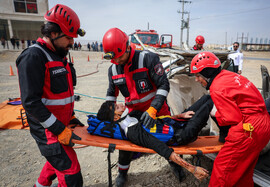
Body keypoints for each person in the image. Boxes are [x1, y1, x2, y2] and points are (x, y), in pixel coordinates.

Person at [16, 4, 86, 187]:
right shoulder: (33, 57)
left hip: (60, 125)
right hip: (47, 130)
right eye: (69, 38)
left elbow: (61, 95)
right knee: (71, 172)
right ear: (54, 34)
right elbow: (31, 102)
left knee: (56, 160)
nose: (72, 43)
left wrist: (70, 118)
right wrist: (58, 128)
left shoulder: (59, 55)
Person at [190, 51, 270, 186]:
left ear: (207, 73)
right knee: (243, 172)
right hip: (264, 124)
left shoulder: (217, 87)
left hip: (249, 128)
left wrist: (214, 113)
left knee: (222, 170)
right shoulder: (230, 76)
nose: (196, 79)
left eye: (198, 76)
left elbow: (232, 118)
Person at [102, 27, 173, 186]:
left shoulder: (148, 59)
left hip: (158, 111)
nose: (117, 62)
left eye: (119, 57)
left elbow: (163, 85)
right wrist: (110, 110)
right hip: (133, 113)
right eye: (114, 59)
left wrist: (153, 109)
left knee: (166, 140)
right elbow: (111, 93)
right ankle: (122, 173)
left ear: (127, 47)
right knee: (125, 142)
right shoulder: (113, 69)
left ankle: (175, 164)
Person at [94, 97, 214, 181]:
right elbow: (162, 149)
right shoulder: (133, 132)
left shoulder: (133, 115)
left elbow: (158, 119)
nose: (120, 104)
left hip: (177, 123)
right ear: (115, 118)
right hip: (183, 135)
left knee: (207, 97)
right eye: (116, 107)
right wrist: (192, 169)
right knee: (211, 102)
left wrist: (179, 116)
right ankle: (226, 133)